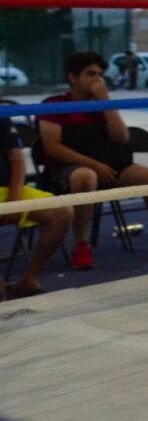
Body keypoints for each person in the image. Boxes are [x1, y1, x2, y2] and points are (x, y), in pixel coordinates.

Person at [37, 51, 148, 270]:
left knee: (146, 175)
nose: (97, 80)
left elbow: (122, 138)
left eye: (100, 74)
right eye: (90, 74)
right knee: (85, 176)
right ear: (73, 78)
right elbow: (52, 147)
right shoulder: (54, 104)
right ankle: (81, 244)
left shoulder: (101, 105)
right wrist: (94, 165)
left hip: (111, 166)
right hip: (68, 170)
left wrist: (106, 103)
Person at [0, 116, 72, 297]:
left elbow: (17, 160)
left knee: (62, 212)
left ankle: (29, 278)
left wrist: (14, 200)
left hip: (7, 189)